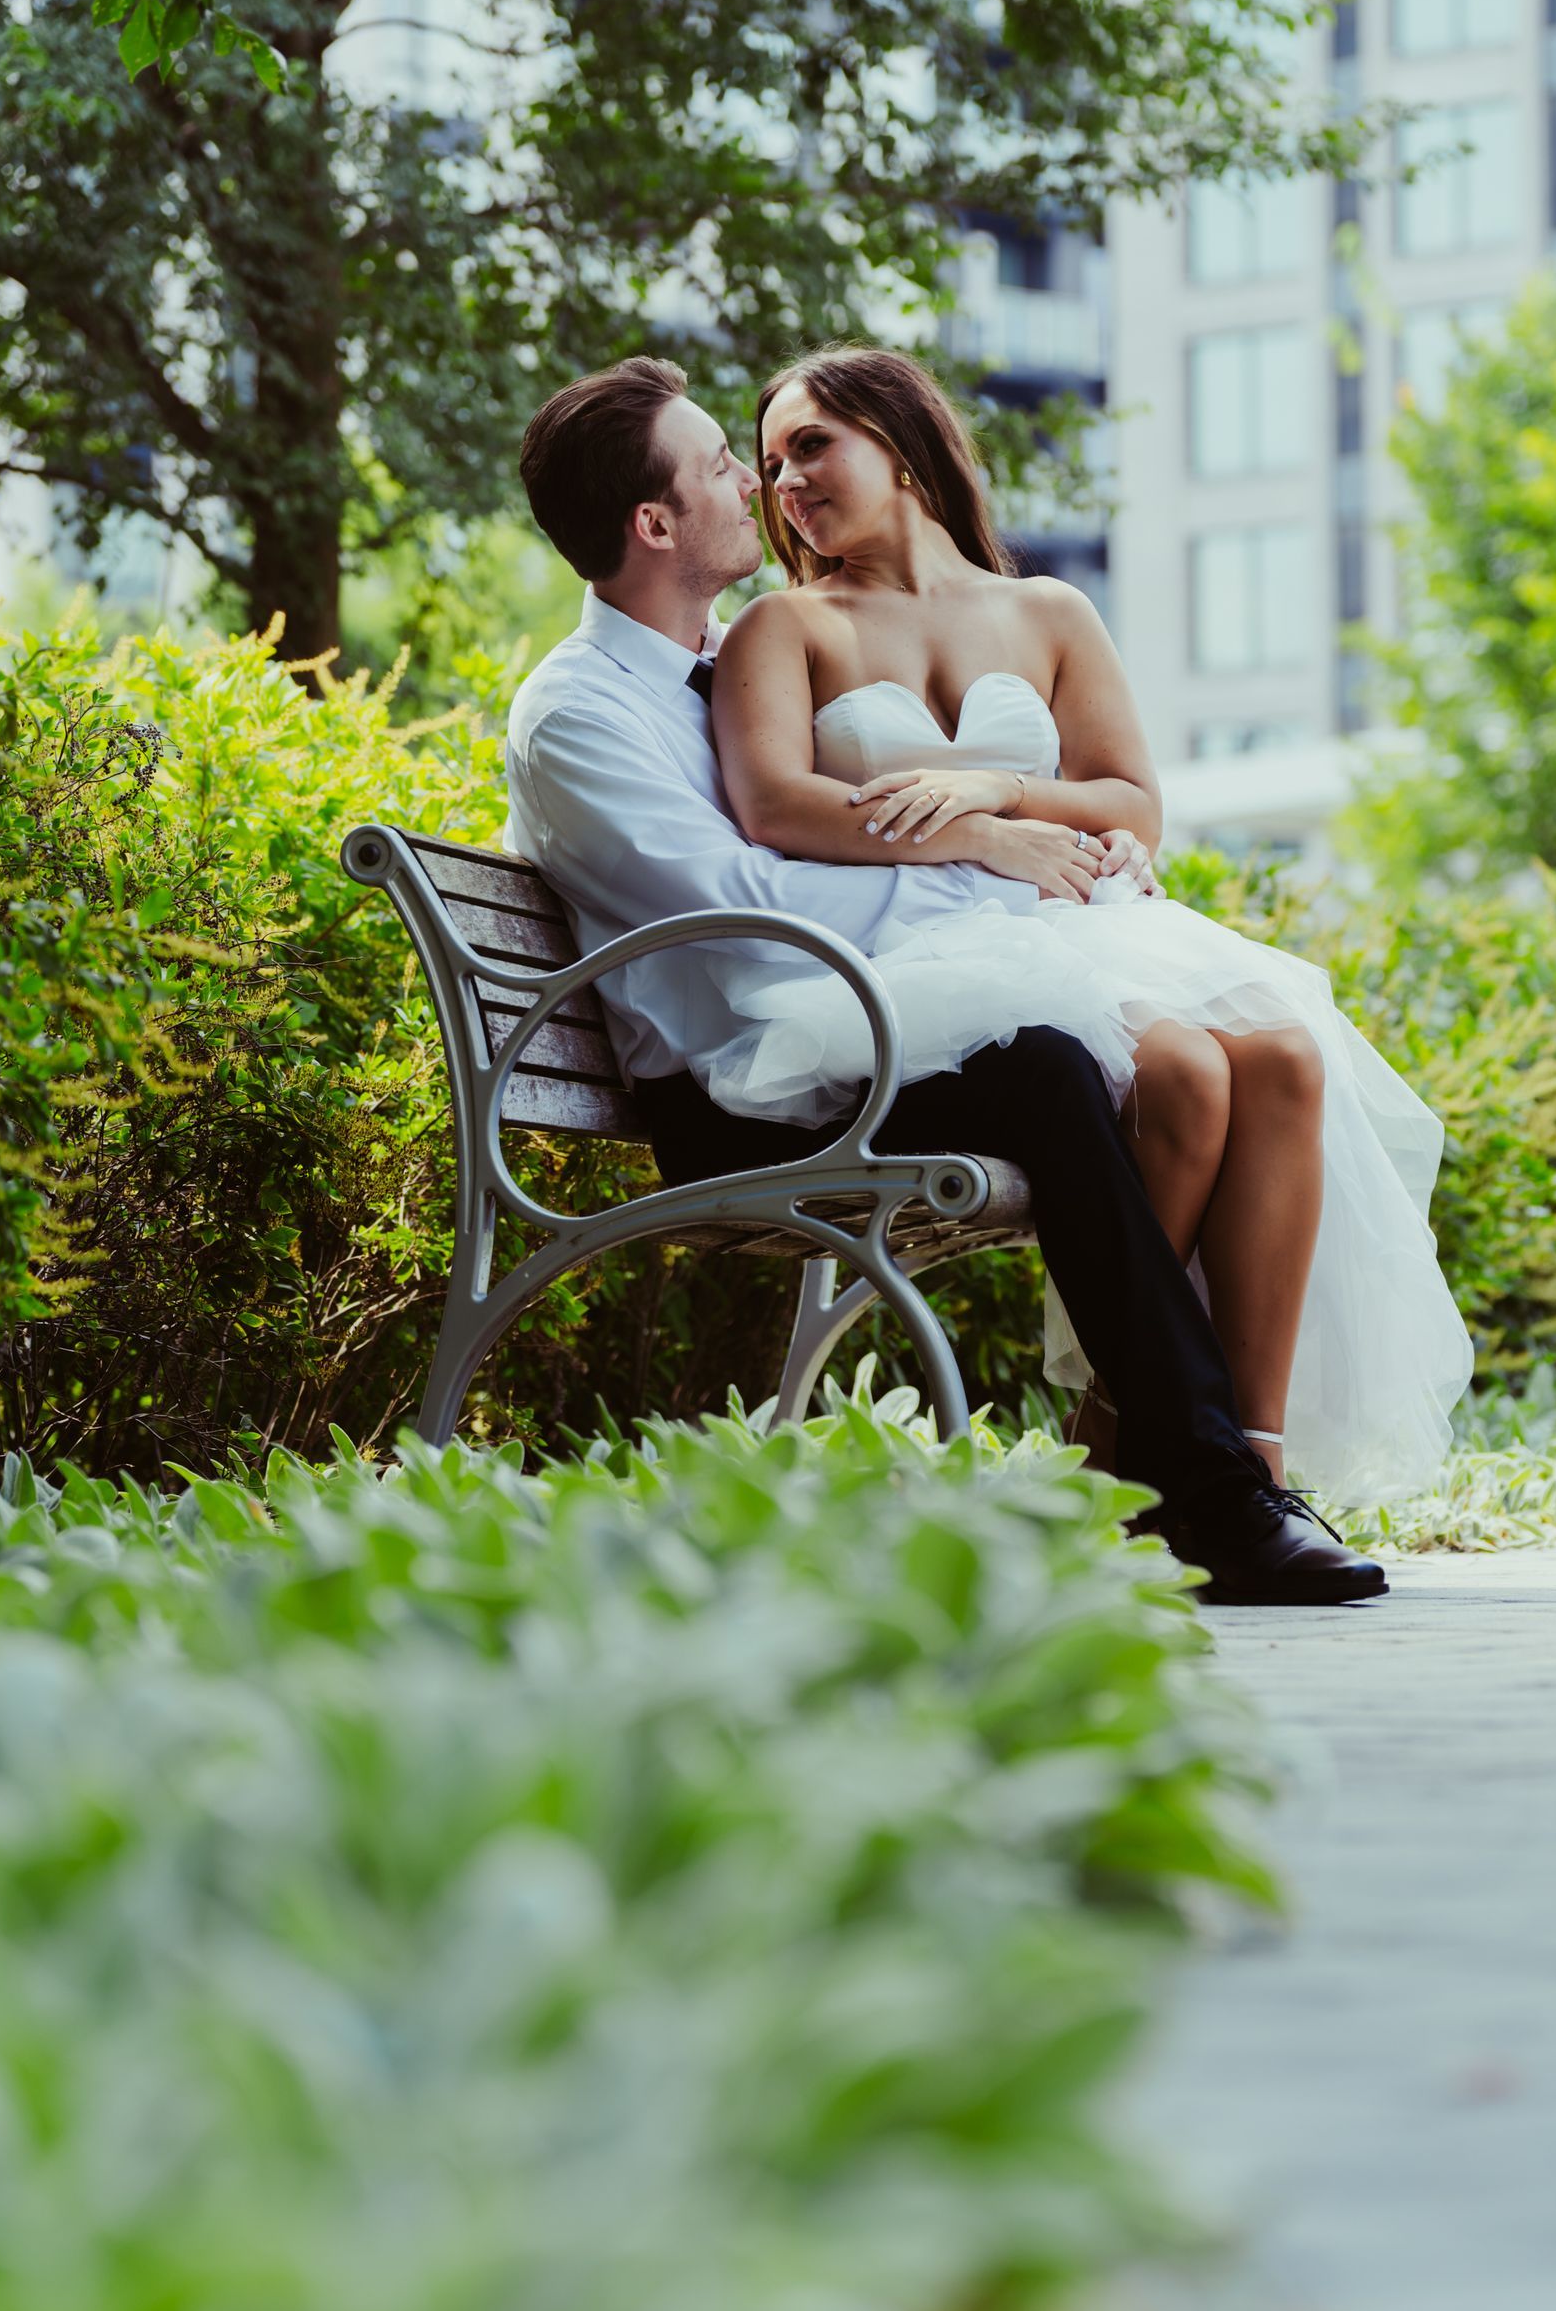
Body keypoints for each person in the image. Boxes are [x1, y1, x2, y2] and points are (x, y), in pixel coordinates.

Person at [504, 355, 1387, 1602]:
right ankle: (1205, 1495)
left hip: (846, 1022)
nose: (755, 485)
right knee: (1049, 1063)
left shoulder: (713, 666)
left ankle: (1187, 1474)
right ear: (655, 523)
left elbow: (849, 844)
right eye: (724, 463)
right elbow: (745, 907)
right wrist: (987, 853)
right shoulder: (579, 715)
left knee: (1201, 1052)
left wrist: (1019, 839)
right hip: (742, 1077)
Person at [706, 344, 1473, 1510]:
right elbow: (773, 803)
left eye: (812, 444)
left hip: (1076, 920)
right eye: (767, 464)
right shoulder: (786, 628)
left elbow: (1130, 800)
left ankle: (1246, 1472)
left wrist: (999, 793)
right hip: (924, 947)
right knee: (1180, 1072)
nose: (785, 482)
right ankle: (1139, 1444)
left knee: (1280, 1057)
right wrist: (962, 833)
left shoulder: (1048, 611)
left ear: (903, 445)